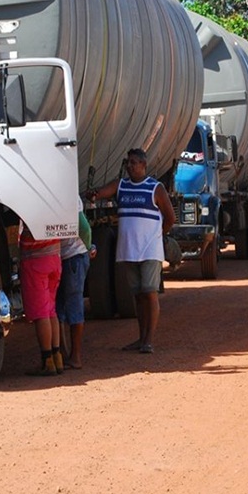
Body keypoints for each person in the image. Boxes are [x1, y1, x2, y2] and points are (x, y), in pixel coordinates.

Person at [89, 148, 176, 354]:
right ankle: (141, 337)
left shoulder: (156, 188)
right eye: (128, 162)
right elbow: (102, 192)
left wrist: (157, 235)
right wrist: (93, 193)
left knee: (150, 293)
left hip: (149, 251)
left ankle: (149, 340)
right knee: (138, 296)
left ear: (144, 165)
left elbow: (170, 218)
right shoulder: (121, 185)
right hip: (129, 250)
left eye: (134, 162)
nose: (130, 166)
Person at [19, 223, 62, 376]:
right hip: (54, 258)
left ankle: (47, 361)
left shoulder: (31, 213)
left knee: (41, 313)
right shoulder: (54, 213)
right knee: (51, 310)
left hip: (35, 262)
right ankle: (57, 358)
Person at [56, 206, 95, 370]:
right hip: (72, 255)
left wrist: (88, 247)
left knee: (67, 307)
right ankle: (68, 355)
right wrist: (88, 247)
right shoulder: (69, 195)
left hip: (69, 256)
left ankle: (72, 356)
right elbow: (84, 228)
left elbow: (83, 228)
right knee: (67, 306)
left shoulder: (68, 197)